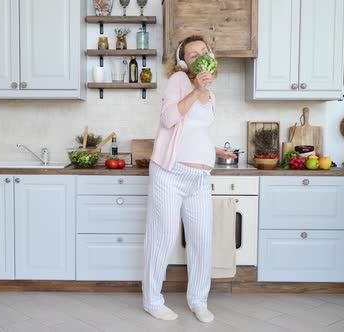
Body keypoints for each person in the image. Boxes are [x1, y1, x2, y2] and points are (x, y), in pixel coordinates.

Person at [142, 35, 237, 323]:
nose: (199, 57)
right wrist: (195, 88)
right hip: (170, 174)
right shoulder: (180, 82)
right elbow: (169, 119)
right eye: (192, 54)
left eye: (203, 52)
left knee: (201, 240)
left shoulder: (211, 94)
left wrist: (213, 149)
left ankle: (198, 299)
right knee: (163, 238)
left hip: (199, 177)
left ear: (212, 56)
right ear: (184, 62)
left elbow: (194, 131)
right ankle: (152, 300)